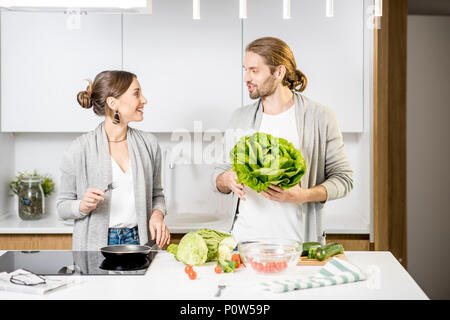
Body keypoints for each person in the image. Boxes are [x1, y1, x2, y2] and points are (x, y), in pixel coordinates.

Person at [212, 37, 354, 244]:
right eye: (245, 70)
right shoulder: (239, 117)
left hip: (298, 245)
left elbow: (344, 180)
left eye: (254, 70)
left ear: (278, 72)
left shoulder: (320, 117)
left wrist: (302, 196)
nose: (246, 78)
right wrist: (226, 179)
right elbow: (217, 177)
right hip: (244, 244)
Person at [57, 70, 170, 250]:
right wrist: (83, 206)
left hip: (141, 241)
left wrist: (157, 215)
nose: (144, 100)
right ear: (113, 102)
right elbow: (62, 207)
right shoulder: (79, 149)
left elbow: (157, 195)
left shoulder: (149, 144)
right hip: (95, 244)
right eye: (136, 93)